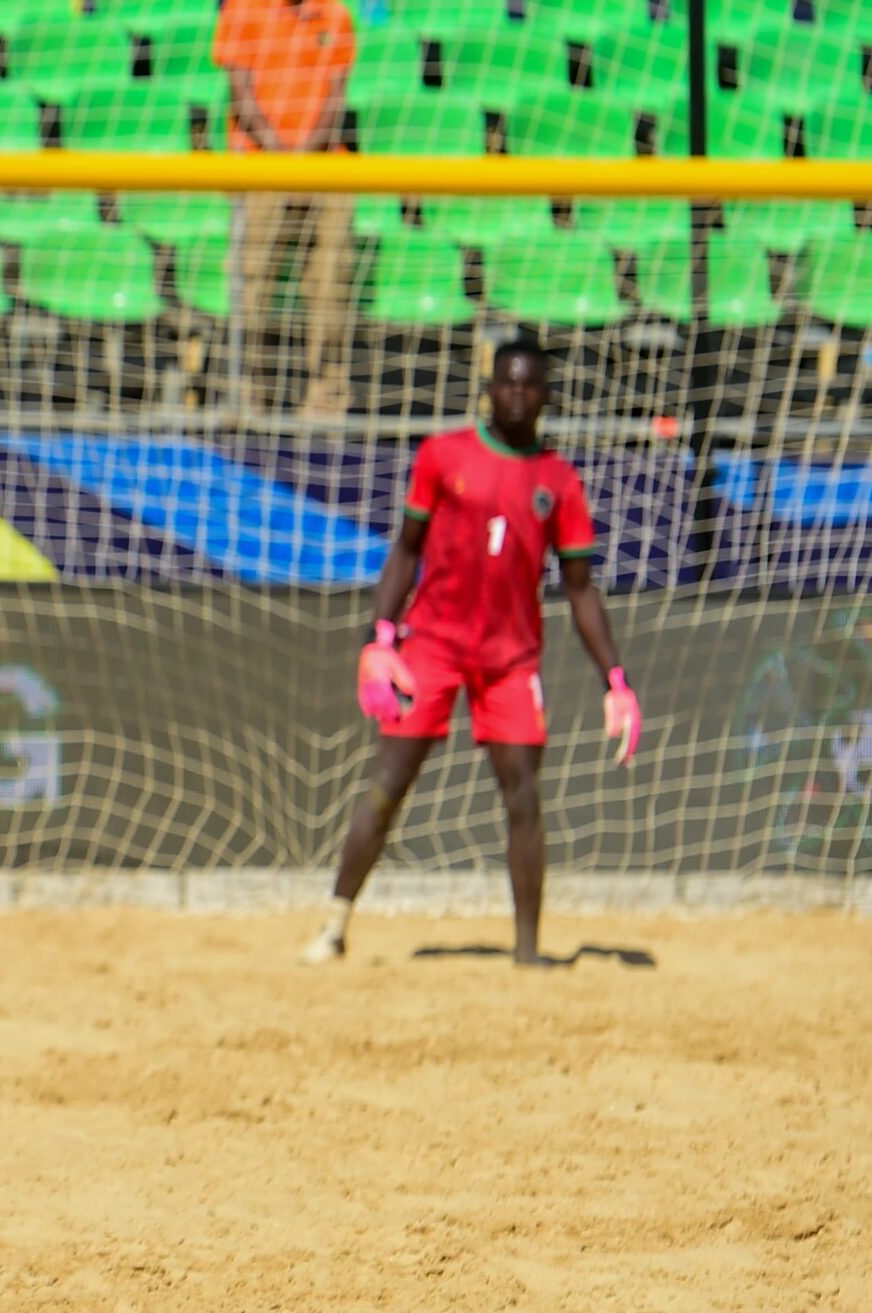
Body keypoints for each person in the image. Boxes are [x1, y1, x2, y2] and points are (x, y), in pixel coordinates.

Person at [304, 336, 642, 969]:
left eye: (530, 384)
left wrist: (615, 680)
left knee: (523, 798)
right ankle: (334, 924)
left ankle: (526, 949)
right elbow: (406, 551)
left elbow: (580, 589)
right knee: (387, 786)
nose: (517, 393)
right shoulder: (442, 455)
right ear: (488, 388)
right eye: (507, 382)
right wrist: (380, 637)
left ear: (545, 395)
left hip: (511, 660)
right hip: (429, 647)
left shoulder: (559, 482)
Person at [215, 0, 356, 417]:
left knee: (332, 282)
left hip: (325, 163)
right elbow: (241, 94)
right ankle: (247, 397)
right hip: (261, 163)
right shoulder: (240, 11)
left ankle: (326, 403)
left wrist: (304, 159)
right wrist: (284, 159)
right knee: (251, 283)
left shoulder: (334, 15)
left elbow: (336, 97)